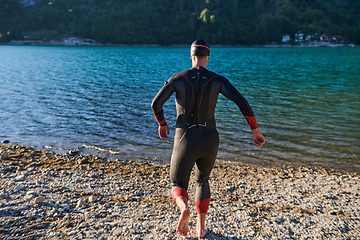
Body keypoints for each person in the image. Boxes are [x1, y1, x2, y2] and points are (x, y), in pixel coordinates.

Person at [151, 39, 265, 238]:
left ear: (191, 56)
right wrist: (254, 130)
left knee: (177, 184)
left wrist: (162, 123)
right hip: (210, 138)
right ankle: (201, 228)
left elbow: (155, 104)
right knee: (203, 179)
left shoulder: (178, 78)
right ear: (208, 57)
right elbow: (242, 102)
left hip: (185, 138)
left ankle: (184, 209)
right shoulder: (218, 80)